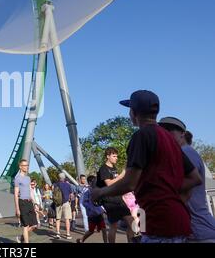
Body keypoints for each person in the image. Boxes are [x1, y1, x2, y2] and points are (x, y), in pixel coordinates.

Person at [92, 90, 202, 243]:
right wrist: (168, 190)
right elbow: (195, 178)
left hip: (159, 221)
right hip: (179, 219)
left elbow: (130, 182)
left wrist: (100, 192)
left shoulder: (142, 136)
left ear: (134, 112)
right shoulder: (170, 139)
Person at [158, 118, 215, 242]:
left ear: (182, 133)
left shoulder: (186, 153)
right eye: (164, 133)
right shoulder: (183, 153)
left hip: (200, 231)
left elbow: (186, 186)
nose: (167, 136)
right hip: (194, 230)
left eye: (170, 131)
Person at [96, 147, 134, 243]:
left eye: (116, 156)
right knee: (113, 226)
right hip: (109, 200)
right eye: (114, 156)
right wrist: (122, 175)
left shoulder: (114, 168)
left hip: (119, 199)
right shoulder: (103, 169)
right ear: (108, 156)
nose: (116, 158)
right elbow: (109, 183)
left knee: (132, 223)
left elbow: (117, 183)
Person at [76, 175, 108, 243]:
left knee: (104, 230)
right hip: (92, 215)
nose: (96, 182)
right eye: (94, 181)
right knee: (91, 231)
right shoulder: (87, 191)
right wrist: (91, 208)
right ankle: (81, 240)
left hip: (99, 214)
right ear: (90, 182)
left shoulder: (97, 189)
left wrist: (102, 208)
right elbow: (84, 202)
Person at [14, 159, 37, 243]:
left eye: (27, 165)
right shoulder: (17, 179)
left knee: (34, 225)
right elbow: (16, 194)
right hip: (22, 203)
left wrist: (35, 203)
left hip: (29, 202)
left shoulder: (28, 178)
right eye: (25, 165)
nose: (27, 167)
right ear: (20, 167)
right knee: (25, 225)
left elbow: (30, 191)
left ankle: (21, 238)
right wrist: (17, 208)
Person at [53, 173, 72, 240]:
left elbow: (54, 194)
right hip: (66, 203)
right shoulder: (68, 185)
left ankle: (58, 233)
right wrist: (69, 200)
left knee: (58, 219)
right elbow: (71, 195)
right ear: (64, 178)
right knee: (67, 219)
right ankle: (68, 234)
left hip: (58, 203)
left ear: (59, 177)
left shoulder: (55, 184)